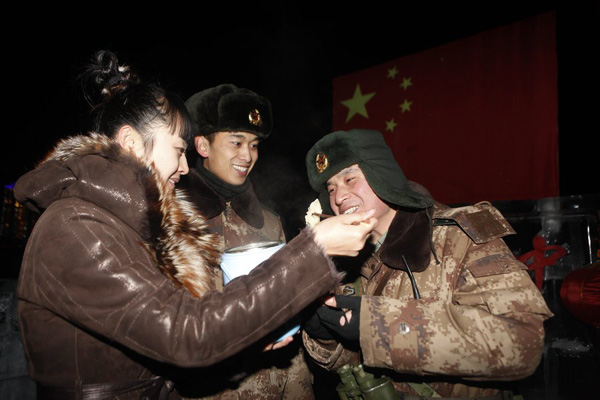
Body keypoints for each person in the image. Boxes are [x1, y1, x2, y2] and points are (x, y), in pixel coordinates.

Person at [13, 51, 377, 400]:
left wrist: (246, 349)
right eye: (177, 150)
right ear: (131, 143)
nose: (185, 168)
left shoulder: (119, 226)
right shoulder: (77, 228)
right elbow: (187, 334)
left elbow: (167, 356)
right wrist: (313, 251)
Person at [301, 129, 554, 399]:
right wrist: (326, 334)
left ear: (382, 172)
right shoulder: (346, 259)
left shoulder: (458, 236)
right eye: (331, 189)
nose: (339, 198)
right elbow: (355, 362)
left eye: (350, 178)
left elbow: (522, 346)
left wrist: (377, 325)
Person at [175, 84, 313, 399]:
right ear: (202, 146)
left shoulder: (271, 221)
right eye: (236, 142)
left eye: (253, 144)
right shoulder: (176, 224)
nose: (247, 155)